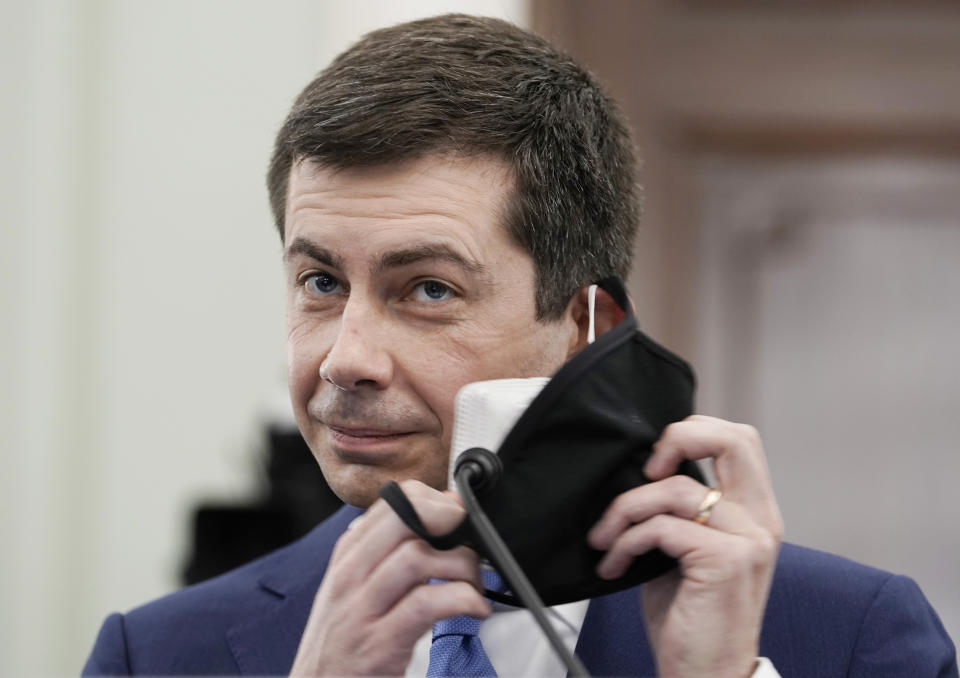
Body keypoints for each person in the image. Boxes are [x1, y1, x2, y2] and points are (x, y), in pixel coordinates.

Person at [83, 14, 956, 678]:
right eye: (321, 283)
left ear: (591, 331)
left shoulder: (850, 636)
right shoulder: (153, 653)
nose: (345, 359)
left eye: (427, 289)